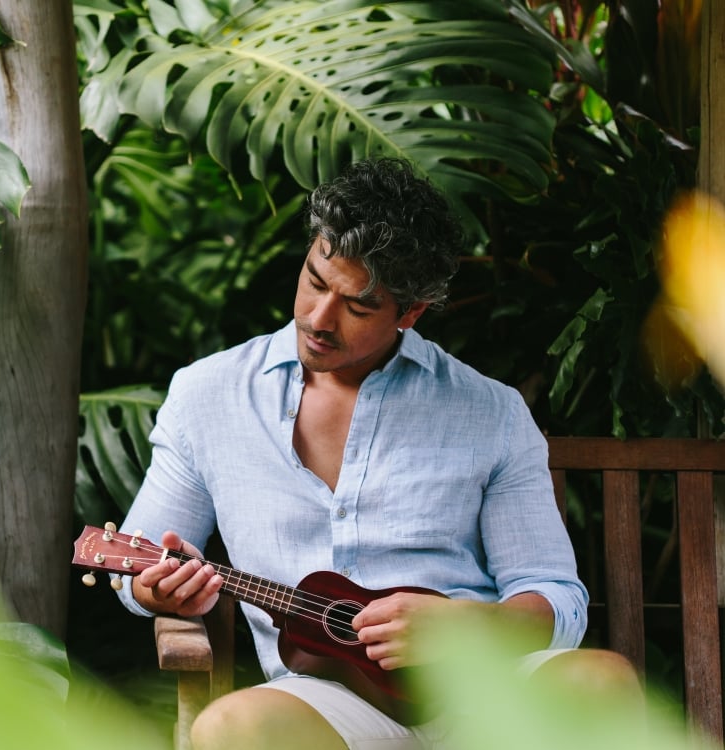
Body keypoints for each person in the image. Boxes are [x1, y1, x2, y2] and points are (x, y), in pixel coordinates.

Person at [115, 158, 638, 749]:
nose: (318, 318)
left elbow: (557, 597)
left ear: (410, 313)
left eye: (358, 307)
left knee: (600, 681)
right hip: (323, 700)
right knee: (231, 727)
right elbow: (139, 565)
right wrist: (154, 589)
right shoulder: (208, 394)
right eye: (315, 281)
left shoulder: (490, 412)